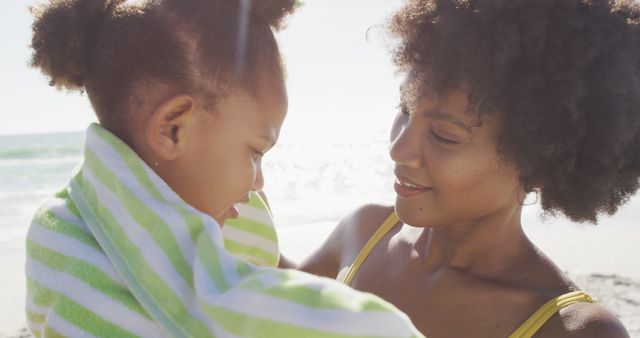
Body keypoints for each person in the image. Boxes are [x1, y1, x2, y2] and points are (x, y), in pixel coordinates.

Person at [25, 0, 424, 337]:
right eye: (255, 152)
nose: (259, 181)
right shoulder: (64, 239)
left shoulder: (236, 216)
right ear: (173, 128)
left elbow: (266, 276)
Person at [298, 0, 640, 336]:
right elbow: (261, 297)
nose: (398, 149)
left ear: (539, 162)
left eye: (444, 136)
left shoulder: (571, 330)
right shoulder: (364, 234)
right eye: (404, 110)